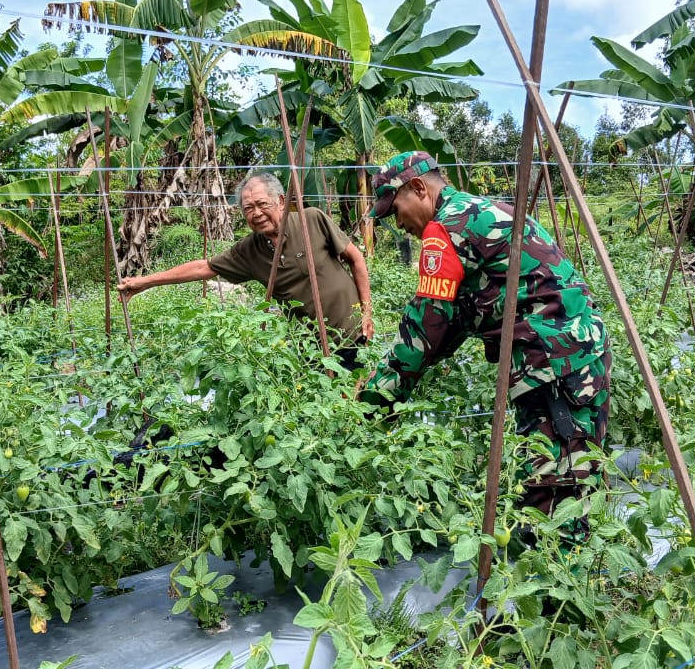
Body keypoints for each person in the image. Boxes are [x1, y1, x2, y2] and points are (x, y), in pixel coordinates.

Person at [357, 151, 611, 548]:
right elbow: (457, 317)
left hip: (557, 362)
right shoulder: (479, 209)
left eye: (396, 209)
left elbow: (427, 325)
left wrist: (373, 399)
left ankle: (557, 590)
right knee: (572, 472)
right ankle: (562, 573)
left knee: (559, 483)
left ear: (419, 188)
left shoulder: (446, 230)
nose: (398, 224)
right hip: (570, 352)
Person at [117, 172, 374, 369]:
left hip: (352, 334)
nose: (257, 213)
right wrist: (146, 282)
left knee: (360, 405)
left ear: (281, 201)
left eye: (262, 204)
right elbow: (203, 267)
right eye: (248, 208)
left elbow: (356, 259)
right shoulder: (250, 250)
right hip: (312, 349)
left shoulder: (312, 220)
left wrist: (367, 313)